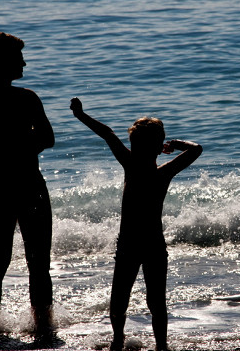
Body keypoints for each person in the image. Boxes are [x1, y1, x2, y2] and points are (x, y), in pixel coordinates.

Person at [70, 97, 202, 351]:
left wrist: (80, 115)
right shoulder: (163, 173)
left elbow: (107, 133)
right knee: (156, 301)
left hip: (129, 243)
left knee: (120, 298)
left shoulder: (130, 164)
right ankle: (161, 346)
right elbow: (196, 149)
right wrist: (175, 144)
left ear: (132, 143)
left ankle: (118, 340)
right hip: (153, 243)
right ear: (158, 146)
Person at [0, 32, 55, 335]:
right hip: (29, 184)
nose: (24, 62)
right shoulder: (26, 98)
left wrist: (14, 143)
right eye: (18, 57)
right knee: (38, 261)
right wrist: (24, 141)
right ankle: (43, 326)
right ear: (3, 61)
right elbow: (47, 138)